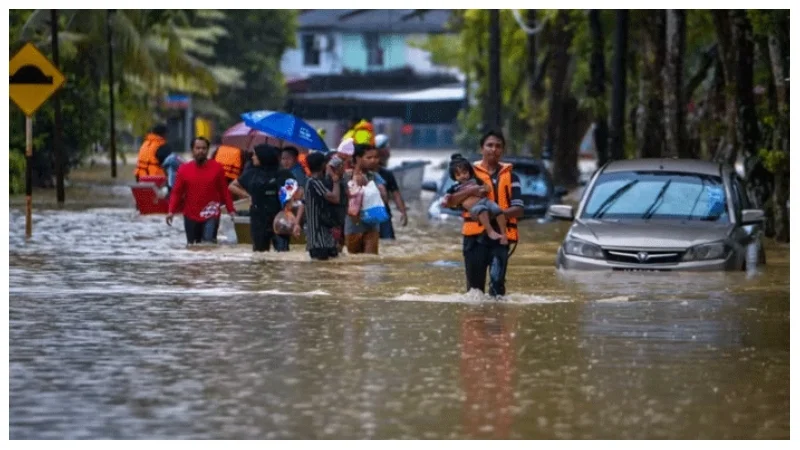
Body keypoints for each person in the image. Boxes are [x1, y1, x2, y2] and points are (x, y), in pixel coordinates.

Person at [445, 130, 524, 297]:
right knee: (474, 292)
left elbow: (518, 209)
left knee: (497, 287)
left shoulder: (512, 177)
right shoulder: (467, 173)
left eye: (498, 146)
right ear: (481, 148)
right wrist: (472, 190)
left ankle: (497, 321)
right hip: (474, 240)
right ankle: (476, 322)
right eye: (489, 145)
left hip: (501, 240)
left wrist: (491, 214)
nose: (493, 149)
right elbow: (451, 202)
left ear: (502, 150)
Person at [166, 137, 236, 245]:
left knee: (208, 244)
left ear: (208, 150)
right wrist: (171, 211)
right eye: (197, 148)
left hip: (211, 213)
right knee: (192, 246)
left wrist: (231, 210)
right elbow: (177, 192)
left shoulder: (217, 168)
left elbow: (224, 191)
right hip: (190, 215)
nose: (200, 151)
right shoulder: (183, 169)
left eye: (204, 148)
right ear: (192, 150)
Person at [228, 144, 297, 252]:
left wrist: (288, 202)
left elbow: (295, 189)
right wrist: (248, 195)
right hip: (258, 219)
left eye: (255, 155)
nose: (252, 157)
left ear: (263, 156)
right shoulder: (251, 173)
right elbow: (232, 186)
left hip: (279, 218)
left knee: (282, 251)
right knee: (259, 252)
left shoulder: (282, 173)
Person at [443, 155, 508, 244]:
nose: (462, 176)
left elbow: (486, 188)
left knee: (497, 209)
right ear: (454, 177)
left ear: (469, 171)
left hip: (485, 201)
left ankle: (504, 234)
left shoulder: (476, 181)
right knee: (482, 210)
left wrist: (483, 189)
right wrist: (445, 200)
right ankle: (490, 231)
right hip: (475, 207)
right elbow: (448, 196)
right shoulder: (455, 187)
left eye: (464, 172)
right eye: (458, 174)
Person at [293, 152, 343, 261]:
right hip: (318, 239)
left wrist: (297, 223)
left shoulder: (313, 182)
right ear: (323, 165)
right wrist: (336, 180)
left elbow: (303, 203)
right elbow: (335, 198)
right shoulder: (314, 182)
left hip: (326, 238)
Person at [344, 145, 388, 255]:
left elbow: (385, 200)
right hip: (353, 226)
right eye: (369, 158)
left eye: (376, 157)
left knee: (370, 260)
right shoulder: (346, 176)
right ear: (358, 159)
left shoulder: (374, 177)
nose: (374, 160)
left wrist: (376, 189)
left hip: (372, 225)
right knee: (354, 264)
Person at [375, 139, 407, 240]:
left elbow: (396, 193)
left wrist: (403, 212)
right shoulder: (362, 174)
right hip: (366, 215)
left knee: (388, 241)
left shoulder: (386, 173)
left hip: (384, 214)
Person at [323, 154, 348, 252]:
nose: (344, 169)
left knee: (340, 243)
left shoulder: (342, 180)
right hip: (333, 217)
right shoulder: (329, 182)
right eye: (341, 166)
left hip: (341, 216)